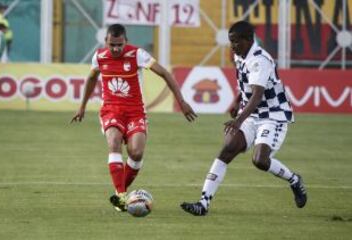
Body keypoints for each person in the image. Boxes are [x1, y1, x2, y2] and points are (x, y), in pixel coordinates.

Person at [180, 21, 307, 216]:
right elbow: (246, 87)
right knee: (227, 149)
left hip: (273, 115)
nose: (232, 46)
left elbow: (257, 95)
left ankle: (294, 180)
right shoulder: (241, 56)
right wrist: (235, 102)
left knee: (260, 161)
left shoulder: (260, 60)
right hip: (252, 114)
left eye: (236, 42)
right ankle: (203, 203)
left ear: (249, 40)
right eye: (231, 42)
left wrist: (239, 119)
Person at [71, 24, 197, 212]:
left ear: (126, 41)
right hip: (111, 110)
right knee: (113, 142)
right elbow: (91, 79)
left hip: (135, 112)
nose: (115, 49)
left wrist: (182, 101)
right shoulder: (99, 57)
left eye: (119, 45)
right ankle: (121, 196)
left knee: (136, 153)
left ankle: (123, 192)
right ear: (105, 41)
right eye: (112, 44)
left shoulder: (137, 54)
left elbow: (165, 73)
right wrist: (82, 107)